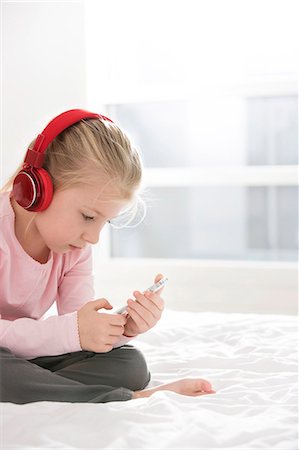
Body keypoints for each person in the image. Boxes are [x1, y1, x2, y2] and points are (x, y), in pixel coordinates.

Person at [0, 109, 215, 404]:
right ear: (37, 189)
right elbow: (65, 331)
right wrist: (74, 331)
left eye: (106, 222)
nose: (94, 237)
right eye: (88, 216)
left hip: (18, 359)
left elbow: (76, 327)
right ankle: (131, 397)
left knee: (130, 364)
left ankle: (37, 387)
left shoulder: (74, 247)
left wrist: (120, 328)